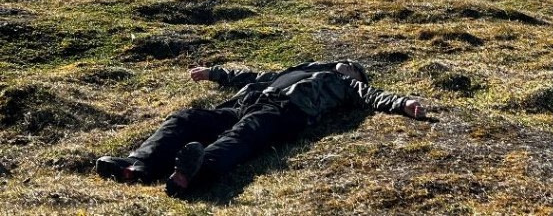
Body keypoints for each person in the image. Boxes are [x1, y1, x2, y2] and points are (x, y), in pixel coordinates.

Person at [95, 59, 426, 196]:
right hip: (243, 103)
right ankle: (137, 166)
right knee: (186, 118)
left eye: (352, 68)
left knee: (245, 134)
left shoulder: (340, 83)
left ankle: (193, 175)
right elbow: (250, 77)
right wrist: (213, 73)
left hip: (283, 113)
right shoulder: (295, 70)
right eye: (345, 64)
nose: (346, 65)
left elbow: (370, 94)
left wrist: (402, 104)